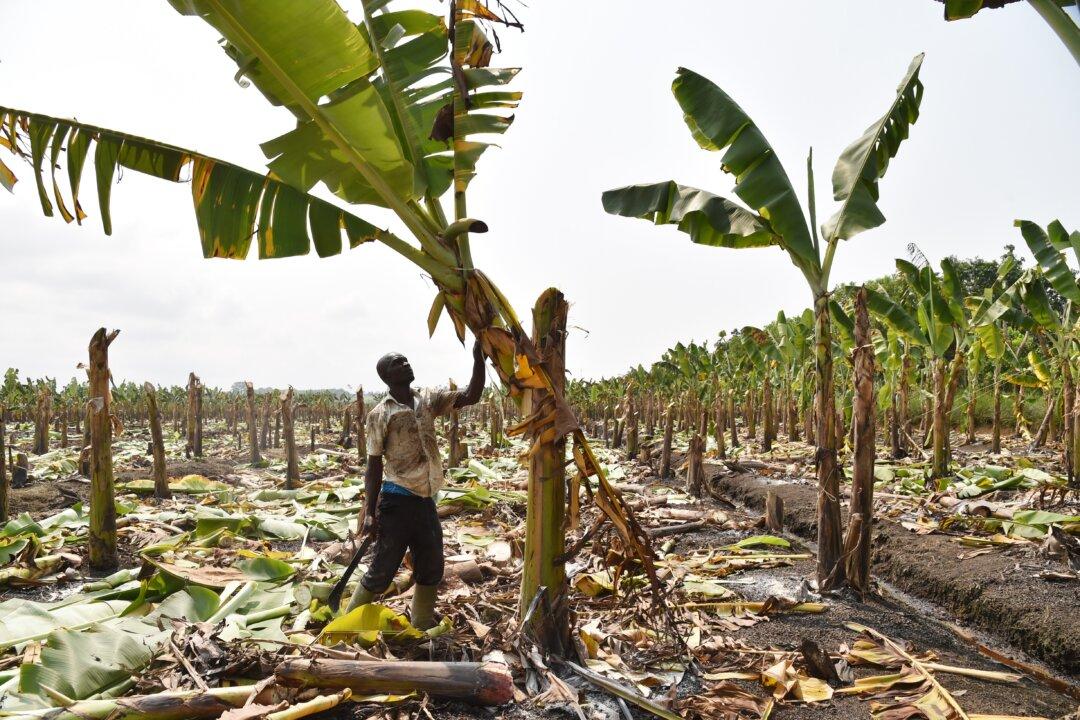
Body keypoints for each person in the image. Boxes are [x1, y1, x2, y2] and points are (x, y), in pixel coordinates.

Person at [344, 340, 486, 628]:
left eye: (406, 360)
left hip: (425, 499)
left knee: (432, 566)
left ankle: (420, 624)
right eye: (397, 363)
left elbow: (471, 395)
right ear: (386, 377)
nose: (405, 364)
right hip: (397, 500)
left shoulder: (428, 400)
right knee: (383, 570)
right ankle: (346, 624)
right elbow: (374, 466)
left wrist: (478, 359)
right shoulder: (380, 414)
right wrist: (370, 512)